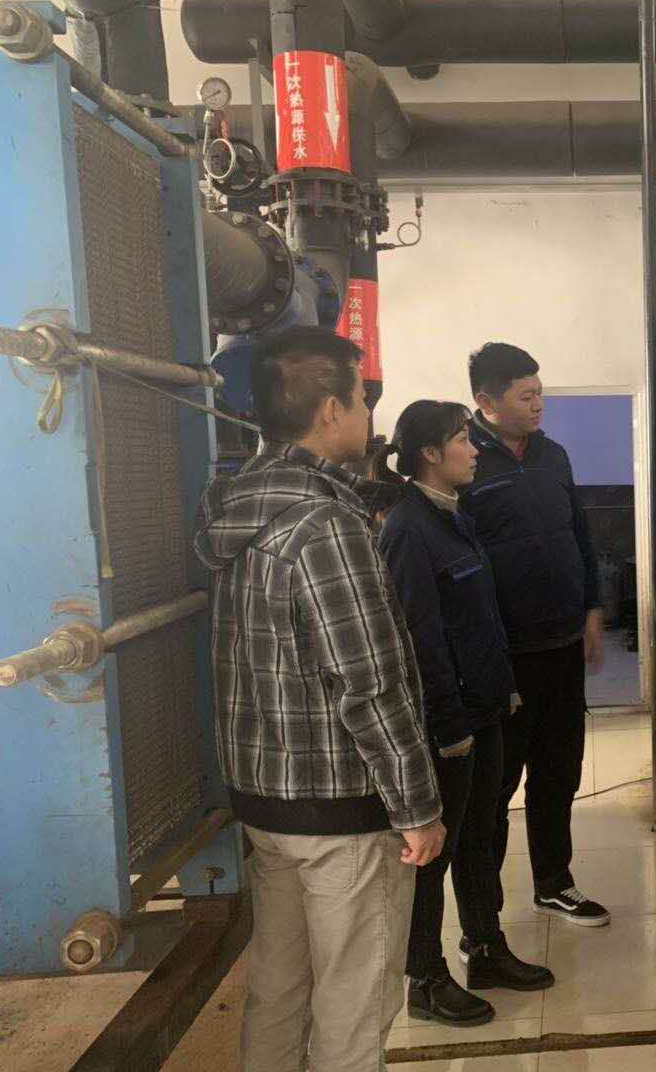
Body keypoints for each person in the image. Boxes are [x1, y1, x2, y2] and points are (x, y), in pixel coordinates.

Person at [194, 327, 447, 1072]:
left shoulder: (238, 508)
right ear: (331, 410)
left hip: (267, 806)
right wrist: (417, 807)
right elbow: (368, 680)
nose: (369, 414)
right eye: (363, 399)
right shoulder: (324, 526)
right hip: (339, 812)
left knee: (281, 988)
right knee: (353, 1006)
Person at [372, 400, 555, 1023]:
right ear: (430, 453)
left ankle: (485, 947)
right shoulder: (407, 529)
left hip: (484, 708)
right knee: (435, 853)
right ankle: (424, 979)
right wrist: (449, 729)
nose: (475, 450)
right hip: (449, 723)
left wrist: (503, 687)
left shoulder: (453, 516)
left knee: (481, 837)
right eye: (462, 440)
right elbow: (420, 640)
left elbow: (479, 617)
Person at [462, 342, 610, 927]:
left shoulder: (553, 455)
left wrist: (591, 607)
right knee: (496, 786)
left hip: (562, 646)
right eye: (526, 396)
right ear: (487, 401)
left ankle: (554, 882)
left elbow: (579, 535)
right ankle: (485, 914)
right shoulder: (465, 462)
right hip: (506, 655)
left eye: (540, 392)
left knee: (559, 772)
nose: (538, 404)